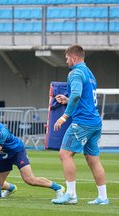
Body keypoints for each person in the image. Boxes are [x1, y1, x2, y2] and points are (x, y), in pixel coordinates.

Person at [51, 45, 108, 205]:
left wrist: (64, 116)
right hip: (95, 122)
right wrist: (67, 100)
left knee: (65, 154)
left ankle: (70, 195)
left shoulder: (75, 73)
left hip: (82, 122)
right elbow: (83, 98)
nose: (67, 61)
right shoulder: (90, 73)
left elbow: (76, 94)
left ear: (74, 58)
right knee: (93, 159)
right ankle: (103, 197)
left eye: (67, 58)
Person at [0, 115, 65, 199]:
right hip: (3, 155)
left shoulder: (1, 132)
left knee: (30, 180)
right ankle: (11, 188)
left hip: (17, 152)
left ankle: (58, 188)